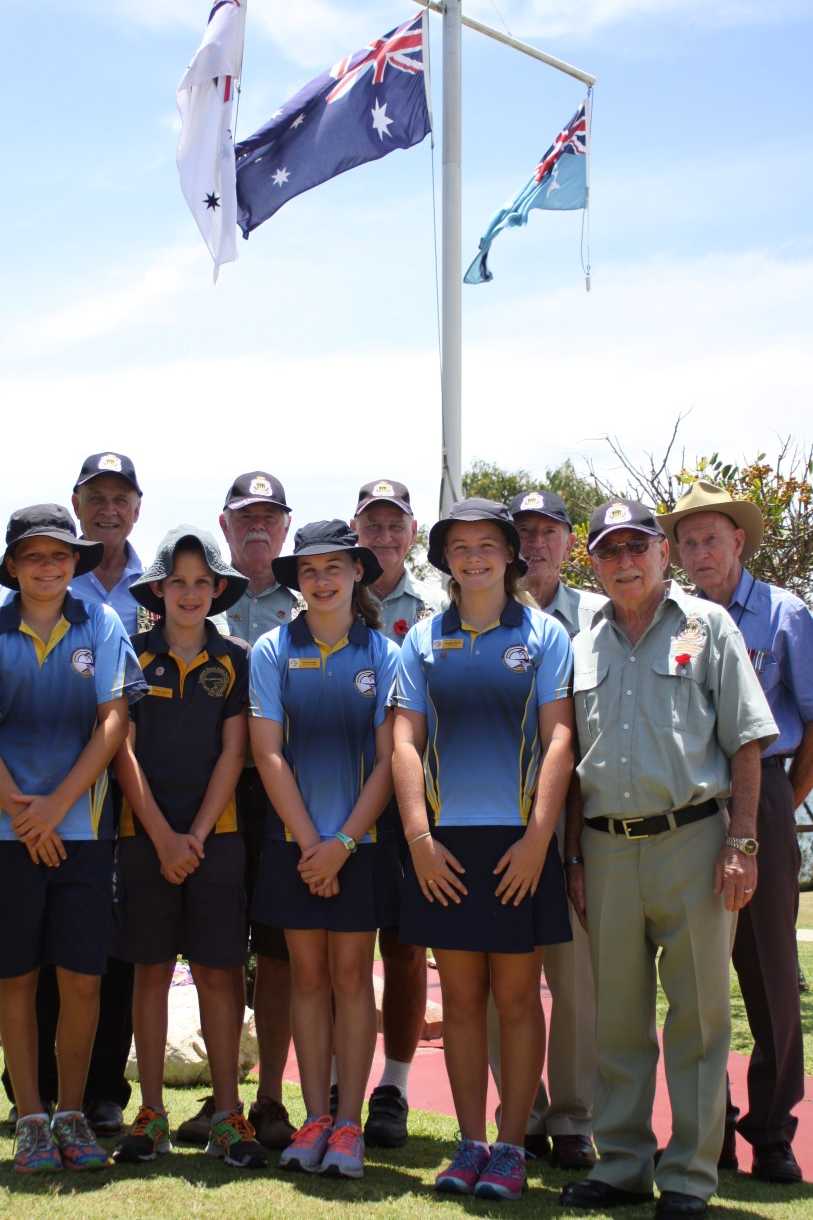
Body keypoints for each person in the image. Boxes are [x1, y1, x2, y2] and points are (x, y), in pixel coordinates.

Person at [560, 499, 778, 1220]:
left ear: (661, 553)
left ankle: (687, 1176)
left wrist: (742, 843)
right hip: (604, 847)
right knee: (616, 1019)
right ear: (591, 562)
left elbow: (747, 742)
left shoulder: (705, 627)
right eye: (608, 551)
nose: (623, 562)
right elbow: (568, 764)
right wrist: (574, 860)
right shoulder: (580, 643)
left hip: (692, 840)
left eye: (636, 547)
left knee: (698, 1018)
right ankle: (621, 1163)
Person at [393, 498, 575, 1202]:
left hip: (519, 843)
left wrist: (538, 839)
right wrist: (417, 839)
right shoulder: (422, 640)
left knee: (518, 999)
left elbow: (560, 737)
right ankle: (469, 1145)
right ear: (443, 559)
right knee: (462, 1002)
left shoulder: (544, 633)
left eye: (486, 545)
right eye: (458, 546)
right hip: (442, 848)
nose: (472, 557)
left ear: (509, 555)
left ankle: (509, 1147)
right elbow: (403, 741)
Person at [662, 480, 813, 1184]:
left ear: (738, 543)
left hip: (769, 795)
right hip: (692, 806)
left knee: (769, 971)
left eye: (710, 540)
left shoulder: (784, 615)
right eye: (687, 542)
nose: (698, 554)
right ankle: (708, 1132)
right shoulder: (680, 625)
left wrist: (782, 800)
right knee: (694, 975)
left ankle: (773, 1131)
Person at [112, 526, 267, 1170]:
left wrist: (196, 836)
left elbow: (236, 753)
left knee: (219, 973)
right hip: (142, 838)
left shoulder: (234, 657)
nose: (191, 592)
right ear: (158, 589)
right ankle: (150, 1113)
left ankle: (228, 1113)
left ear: (218, 590)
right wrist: (162, 835)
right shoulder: (130, 654)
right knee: (148, 972)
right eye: (178, 581)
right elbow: (120, 751)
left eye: (203, 581)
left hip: (217, 841)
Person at [250, 520, 400, 1179]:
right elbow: (267, 752)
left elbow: (389, 760)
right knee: (306, 980)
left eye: (333, 567)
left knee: (349, 979)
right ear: (296, 579)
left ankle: (347, 1127)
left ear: (357, 573)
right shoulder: (271, 649)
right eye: (308, 569)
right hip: (294, 844)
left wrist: (341, 842)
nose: (321, 579)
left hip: (358, 846)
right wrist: (310, 842)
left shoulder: (383, 654)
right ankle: (313, 1118)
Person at [2, 451, 146, 1136]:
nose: (47, 568)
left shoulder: (102, 625)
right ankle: (29, 1113)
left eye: (59, 556)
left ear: (75, 561)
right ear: (12, 566)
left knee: (82, 979)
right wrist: (22, 812)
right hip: (9, 834)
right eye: (32, 557)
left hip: (84, 832)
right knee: (16, 981)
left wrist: (57, 806)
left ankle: (70, 1111)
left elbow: (114, 721)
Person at [483, 490, 604, 1171]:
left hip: (579, 824)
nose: (534, 543)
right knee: (509, 978)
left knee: (576, 981)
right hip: (498, 819)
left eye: (546, 531)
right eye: (521, 532)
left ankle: (572, 1118)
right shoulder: (480, 618)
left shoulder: (597, 616)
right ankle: (520, 1113)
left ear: (568, 541)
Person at [178, 471, 297, 1150]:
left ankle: (273, 1098)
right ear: (223, 526)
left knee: (277, 953)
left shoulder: (310, 594)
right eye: (243, 515)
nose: (257, 525)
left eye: (269, 515)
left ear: (284, 526)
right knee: (214, 951)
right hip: (212, 799)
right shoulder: (200, 599)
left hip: (280, 797)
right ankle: (221, 1097)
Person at [350, 478, 442, 1148]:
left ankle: (395, 1086)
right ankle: (334, 1087)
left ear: (412, 532)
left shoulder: (439, 606)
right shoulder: (324, 594)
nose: (383, 538)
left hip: (417, 802)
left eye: (394, 526)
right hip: (342, 805)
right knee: (336, 954)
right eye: (371, 526)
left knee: (406, 951)